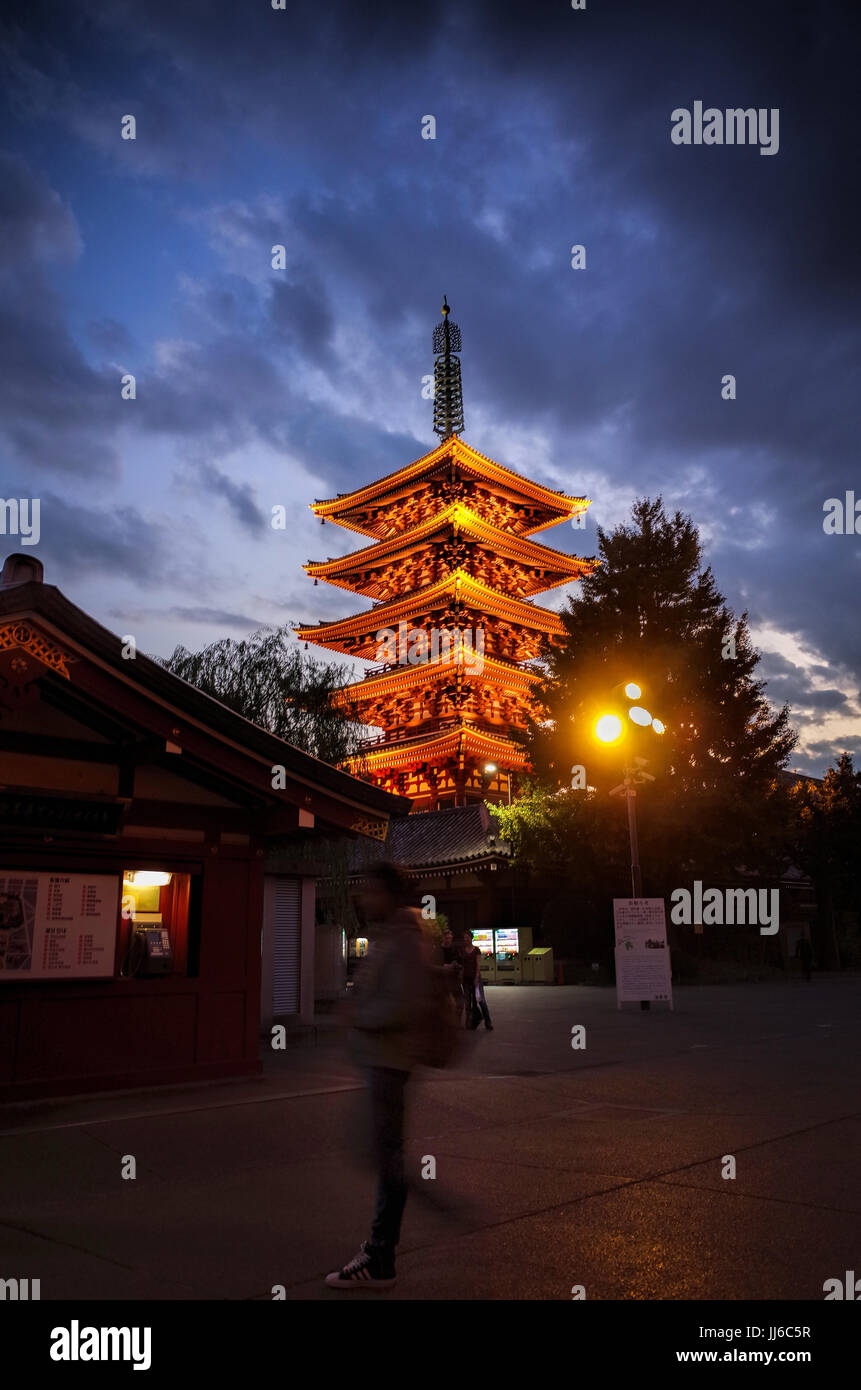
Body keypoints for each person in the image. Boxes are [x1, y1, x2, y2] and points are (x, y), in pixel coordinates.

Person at [325, 862, 425, 1290]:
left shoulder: (403, 940)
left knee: (386, 1155)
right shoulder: (397, 936)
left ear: (388, 894)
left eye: (370, 891)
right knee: (385, 1152)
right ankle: (381, 1249)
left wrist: (358, 1016)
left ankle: (380, 1254)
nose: (363, 898)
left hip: (390, 1060)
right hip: (383, 1059)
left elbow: (400, 1005)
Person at [459, 929, 493, 1031]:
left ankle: (488, 1022)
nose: (465, 939)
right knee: (467, 1002)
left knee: (480, 1000)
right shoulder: (462, 950)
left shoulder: (476, 950)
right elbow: (462, 965)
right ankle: (469, 1023)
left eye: (467, 937)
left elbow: (478, 965)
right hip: (466, 979)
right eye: (464, 938)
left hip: (475, 979)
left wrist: (476, 978)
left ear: (471, 938)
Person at [440, 927, 464, 1023]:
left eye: (450, 938)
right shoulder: (438, 950)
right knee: (443, 1002)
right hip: (442, 980)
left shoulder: (455, 949)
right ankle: (445, 1022)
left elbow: (461, 962)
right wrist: (444, 966)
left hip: (454, 979)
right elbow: (433, 963)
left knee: (460, 1001)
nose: (448, 940)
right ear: (443, 938)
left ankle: (457, 1021)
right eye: (447, 938)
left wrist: (457, 965)